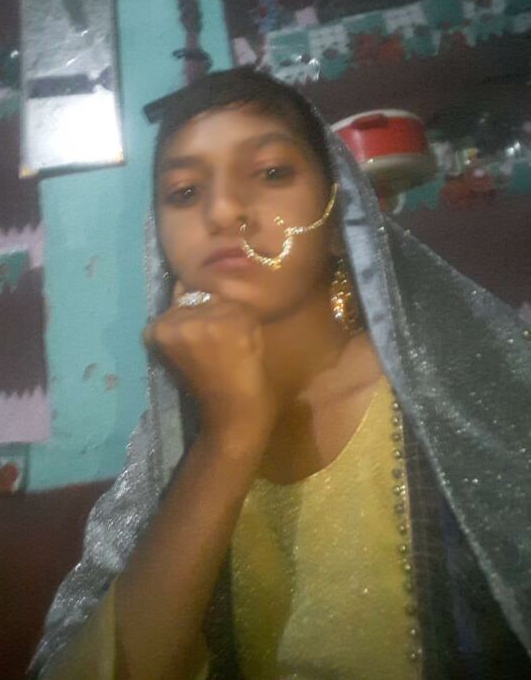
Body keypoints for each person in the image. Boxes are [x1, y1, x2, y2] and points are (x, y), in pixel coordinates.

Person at [31, 68, 531, 679]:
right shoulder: (171, 441)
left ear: (341, 218)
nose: (222, 210)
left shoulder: (470, 391)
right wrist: (230, 438)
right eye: (184, 192)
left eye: (271, 173)